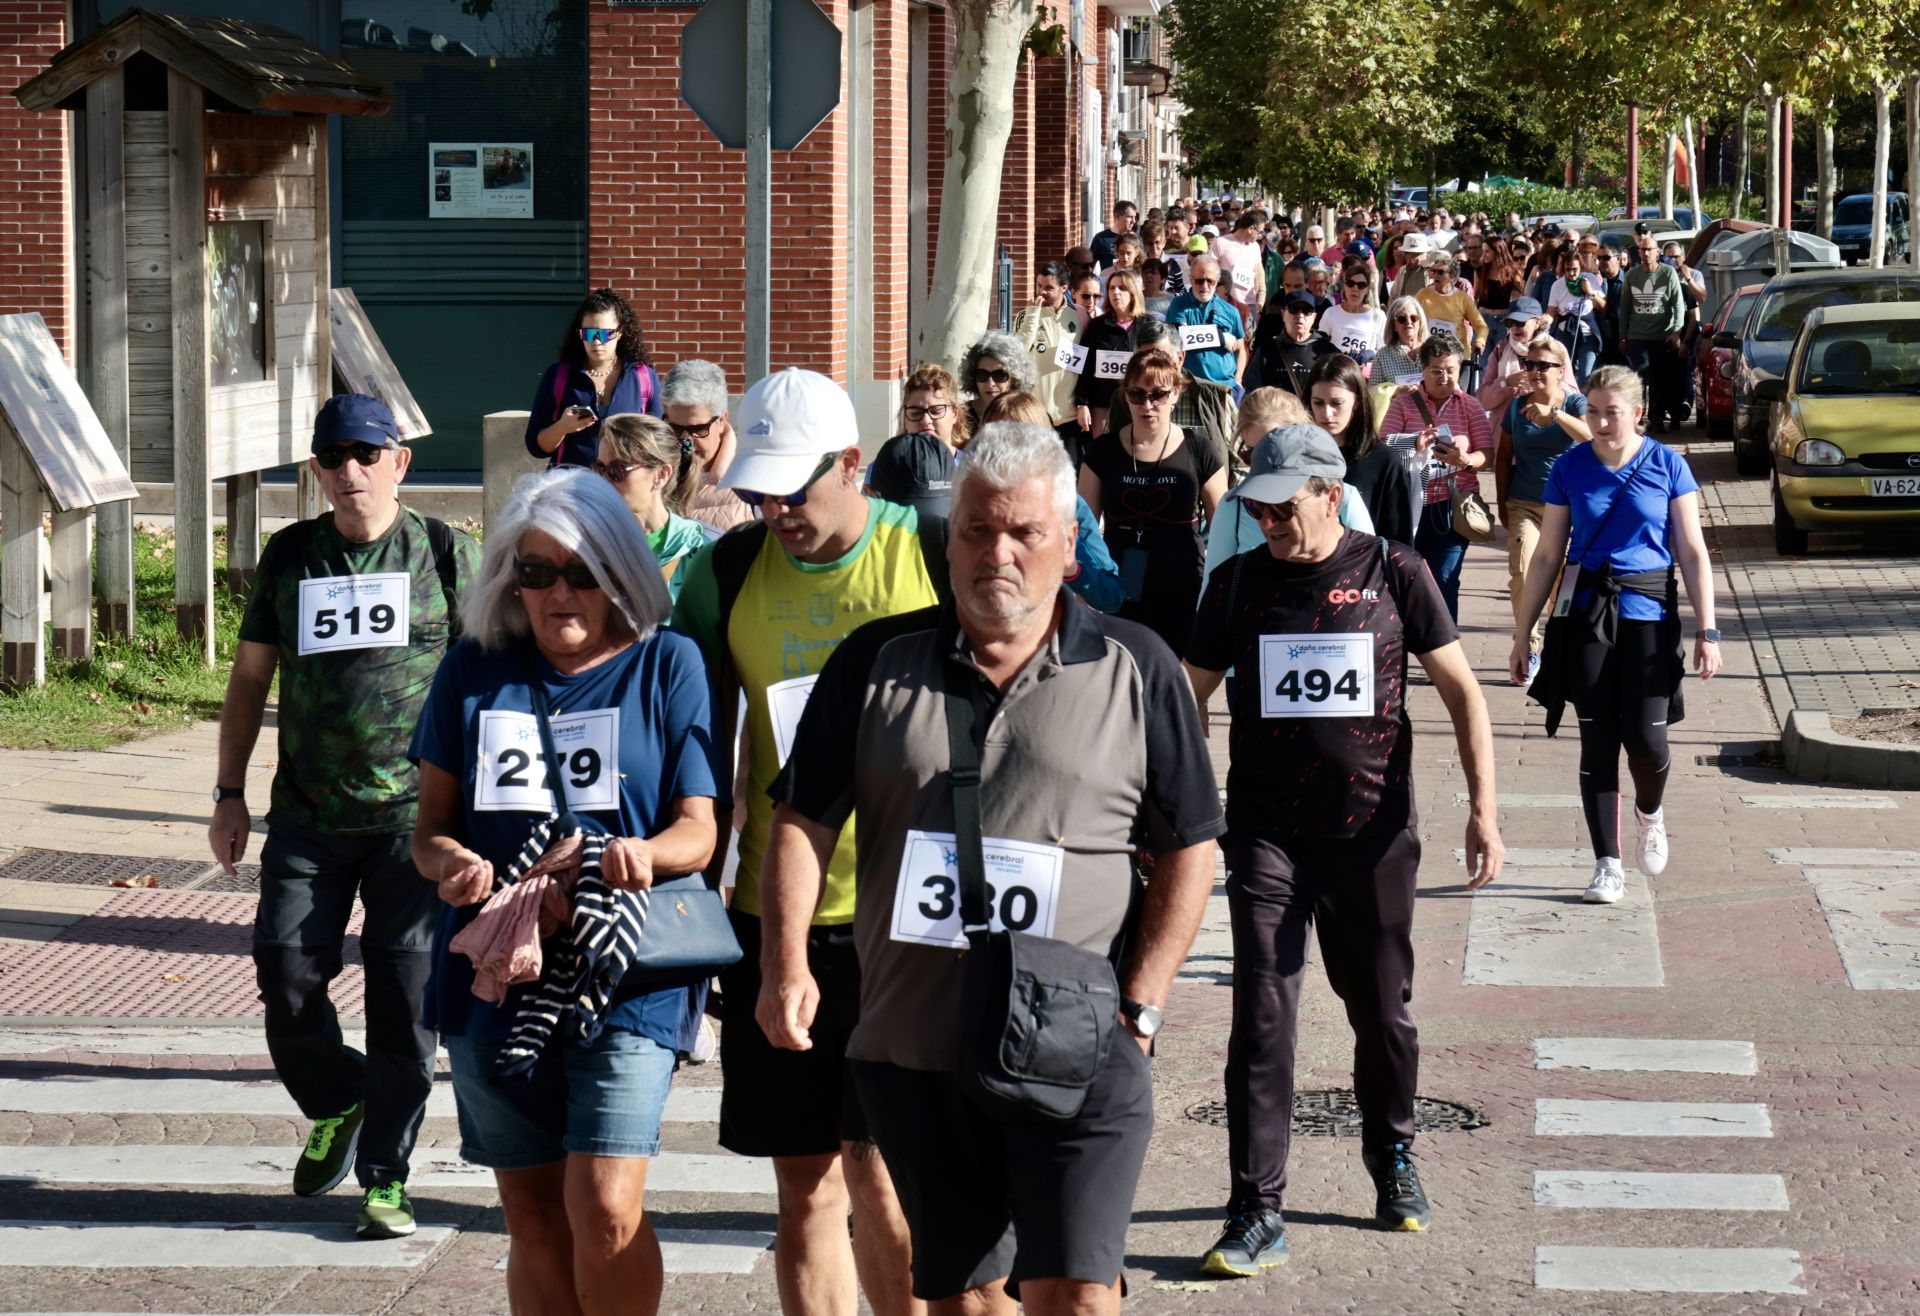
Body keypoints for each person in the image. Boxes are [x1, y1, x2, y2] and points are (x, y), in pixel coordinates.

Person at [761, 420, 1226, 1315]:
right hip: (917, 1046)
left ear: (1066, 542)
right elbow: (801, 820)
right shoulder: (874, 663)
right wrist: (784, 966)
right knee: (968, 1301)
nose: (997, 553)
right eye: (976, 530)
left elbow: (1191, 845)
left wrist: (1144, 1003)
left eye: (1024, 533)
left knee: (1078, 1294)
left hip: (1082, 1041)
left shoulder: (1138, 665)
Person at [1184, 425, 1504, 1275]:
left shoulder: (1395, 572)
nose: (1268, 520)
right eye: (1256, 505)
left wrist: (1485, 810)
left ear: (1329, 492)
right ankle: (1255, 1208)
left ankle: (1393, 1158)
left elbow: (1464, 693)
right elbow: (1189, 698)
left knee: (1382, 1013)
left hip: (1370, 835)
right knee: (1261, 1014)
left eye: (1284, 504)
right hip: (1265, 833)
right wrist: (1168, 808)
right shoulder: (1237, 581)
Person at [410, 469, 713, 1315]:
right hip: (497, 970)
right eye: (534, 573)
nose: (557, 593)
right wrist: (453, 865)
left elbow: (701, 828)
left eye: (580, 572)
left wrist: (640, 855)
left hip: (625, 971)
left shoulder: (668, 663)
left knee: (606, 1204)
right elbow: (428, 831)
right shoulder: (473, 670)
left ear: (620, 573)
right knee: (533, 1214)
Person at [671, 369, 938, 1316]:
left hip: (909, 916)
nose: (775, 508)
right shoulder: (727, 570)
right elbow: (687, 741)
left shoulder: (928, 548)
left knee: (887, 1179)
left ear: (854, 465)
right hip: (776, 916)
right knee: (806, 1185)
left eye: (797, 487)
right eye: (761, 487)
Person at [208, 394, 482, 1239]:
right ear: (317, 470)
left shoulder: (446, 553)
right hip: (307, 816)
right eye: (335, 457)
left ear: (400, 461)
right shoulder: (291, 555)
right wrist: (228, 793)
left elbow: (493, 677)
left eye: (368, 453)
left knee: (406, 1000)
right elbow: (251, 679)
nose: (351, 471)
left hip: (417, 822)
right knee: (285, 976)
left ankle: (387, 1177)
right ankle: (340, 1096)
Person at [1508, 365, 1718, 904]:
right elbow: (1550, 553)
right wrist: (1523, 632)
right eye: (1593, 411)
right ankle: (1607, 863)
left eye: (1611, 412)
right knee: (1598, 739)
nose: (1600, 422)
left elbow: (1692, 553)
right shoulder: (1571, 467)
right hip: (1586, 615)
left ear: (1637, 412)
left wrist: (1708, 630)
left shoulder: (1669, 466)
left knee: (1648, 742)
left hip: (1649, 614)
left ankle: (1650, 812)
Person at [1079, 350, 1227, 657]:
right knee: (1125, 685)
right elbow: (1084, 529)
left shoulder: (1201, 450)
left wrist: (1219, 594)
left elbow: (1223, 530)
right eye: (1137, 394)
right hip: (1119, 587)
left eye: (1158, 395)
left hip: (1182, 584)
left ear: (1175, 394)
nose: (1147, 405)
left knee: (1181, 688)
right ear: (1125, 395)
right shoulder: (1101, 451)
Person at [1490, 335, 1590, 676]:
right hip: (1524, 504)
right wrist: (1502, 503)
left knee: (1563, 582)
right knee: (1522, 574)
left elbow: (1592, 439)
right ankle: (1527, 645)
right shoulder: (1517, 408)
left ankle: (1557, 644)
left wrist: (1556, 415)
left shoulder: (1575, 404)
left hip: (1567, 511)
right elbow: (1503, 457)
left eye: (1543, 366)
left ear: (1561, 371)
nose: (1534, 372)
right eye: (1529, 365)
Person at [981, 390, 1125, 614]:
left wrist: (1072, 569)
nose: (1005, 448)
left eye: (1018, 438)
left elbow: (1111, 596)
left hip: (1051, 640)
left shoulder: (1066, 505)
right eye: (995, 437)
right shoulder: (971, 502)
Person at [1381, 336, 1490, 622]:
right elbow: (1383, 444)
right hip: (1410, 506)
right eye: (1436, 370)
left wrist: (1465, 461)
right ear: (1423, 370)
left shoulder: (1470, 406)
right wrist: (1412, 442)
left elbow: (1486, 454)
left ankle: (1444, 653)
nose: (1444, 377)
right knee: (1406, 580)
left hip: (1452, 506)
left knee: (1445, 579)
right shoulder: (1404, 404)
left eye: (1451, 370)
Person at [526, 288, 663, 469]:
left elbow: (659, 442)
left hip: (625, 488)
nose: (597, 342)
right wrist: (562, 427)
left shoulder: (642, 377)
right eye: (589, 334)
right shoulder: (559, 375)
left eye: (606, 334)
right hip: (571, 487)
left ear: (620, 333)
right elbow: (536, 447)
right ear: (580, 334)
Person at [594, 413, 719, 599]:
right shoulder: (587, 545)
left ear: (661, 474)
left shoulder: (703, 549)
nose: (604, 480)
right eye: (600, 469)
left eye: (616, 470)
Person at [1308, 354, 1417, 545]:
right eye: (1318, 402)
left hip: (1366, 570)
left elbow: (1399, 543)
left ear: (1356, 402)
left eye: (1336, 403)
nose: (1326, 413)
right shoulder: (1298, 455)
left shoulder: (1384, 461)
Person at [864, 364, 973, 517]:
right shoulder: (882, 468)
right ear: (905, 416)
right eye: (915, 413)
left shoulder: (973, 470)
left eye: (936, 411)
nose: (926, 420)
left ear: (955, 414)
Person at [662, 359, 755, 535]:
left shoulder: (749, 477)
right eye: (675, 428)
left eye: (697, 429)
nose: (685, 440)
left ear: (721, 420)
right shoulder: (651, 471)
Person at [1621, 227, 1687, 433]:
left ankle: (1657, 419)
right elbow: (1625, 308)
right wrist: (1623, 337)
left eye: (1650, 249)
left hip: (1662, 336)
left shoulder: (1668, 274)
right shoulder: (1631, 275)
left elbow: (1678, 305)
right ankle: (1636, 420)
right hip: (1637, 337)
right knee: (1638, 379)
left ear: (1657, 252)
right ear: (1638, 253)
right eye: (1643, 250)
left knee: (1660, 381)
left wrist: (1676, 331)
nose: (1646, 253)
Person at [1072, 272, 1145, 441]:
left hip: (1139, 403)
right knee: (1105, 457)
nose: (1115, 292)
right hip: (1103, 405)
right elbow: (1085, 366)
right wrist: (1082, 403)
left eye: (1122, 288)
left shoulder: (1147, 326)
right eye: (1112, 288)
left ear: (1133, 293)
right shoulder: (1097, 326)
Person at [1013, 261, 1081, 431]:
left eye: (1049, 288)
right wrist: (1032, 316)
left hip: (1069, 415)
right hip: (1035, 415)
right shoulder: (1025, 315)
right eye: (1038, 285)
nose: (1042, 292)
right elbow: (1017, 353)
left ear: (1064, 288)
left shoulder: (1079, 316)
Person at [1545, 247, 1605, 384]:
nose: (1571, 273)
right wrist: (1543, 322)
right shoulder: (1557, 286)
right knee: (1564, 375)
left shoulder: (1590, 280)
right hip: (1565, 334)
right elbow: (1551, 312)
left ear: (1581, 268)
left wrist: (1591, 292)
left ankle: (1585, 403)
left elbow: (1603, 306)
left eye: (1575, 269)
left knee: (1586, 376)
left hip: (1586, 334)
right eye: (1568, 270)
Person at [961, 330, 1039, 433]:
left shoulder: (1029, 416)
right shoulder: (960, 417)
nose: (990, 383)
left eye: (999, 375)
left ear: (1014, 378)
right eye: (982, 375)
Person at [1319, 256, 1388, 370]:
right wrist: (1335, 353)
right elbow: (1319, 346)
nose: (1355, 289)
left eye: (1361, 285)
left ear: (1367, 290)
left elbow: (1384, 352)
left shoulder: (1378, 316)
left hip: (1363, 376)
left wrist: (1370, 354)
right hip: (1335, 373)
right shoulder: (1331, 313)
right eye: (1350, 283)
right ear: (1344, 286)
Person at [1413, 254, 1486, 360]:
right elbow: (1411, 318)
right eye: (1434, 271)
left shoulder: (1462, 298)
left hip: (1458, 356)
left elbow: (1481, 326)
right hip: (1431, 355)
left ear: (1452, 276)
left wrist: (1480, 341)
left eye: (1440, 272)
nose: (1435, 275)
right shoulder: (1423, 294)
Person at [1213, 211, 1268, 335]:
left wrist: (1259, 303)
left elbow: (1259, 277)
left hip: (1250, 306)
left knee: (1248, 343)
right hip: (1226, 304)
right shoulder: (1220, 243)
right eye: (1259, 232)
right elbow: (1211, 272)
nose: (1260, 235)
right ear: (1251, 228)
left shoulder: (1255, 247)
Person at [1374, 296, 1430, 387]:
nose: (1408, 322)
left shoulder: (1432, 351)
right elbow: (1373, 393)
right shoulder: (1382, 356)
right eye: (1402, 319)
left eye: (1413, 318)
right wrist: (1396, 392)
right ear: (1393, 325)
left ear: (1420, 321)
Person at [1090, 200, 1139, 270]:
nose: (1133, 221)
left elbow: (1141, 264)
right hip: (1108, 279)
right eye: (1130, 217)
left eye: (1134, 217)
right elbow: (1089, 266)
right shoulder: (1101, 239)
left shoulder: (1136, 239)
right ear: (1117, 216)